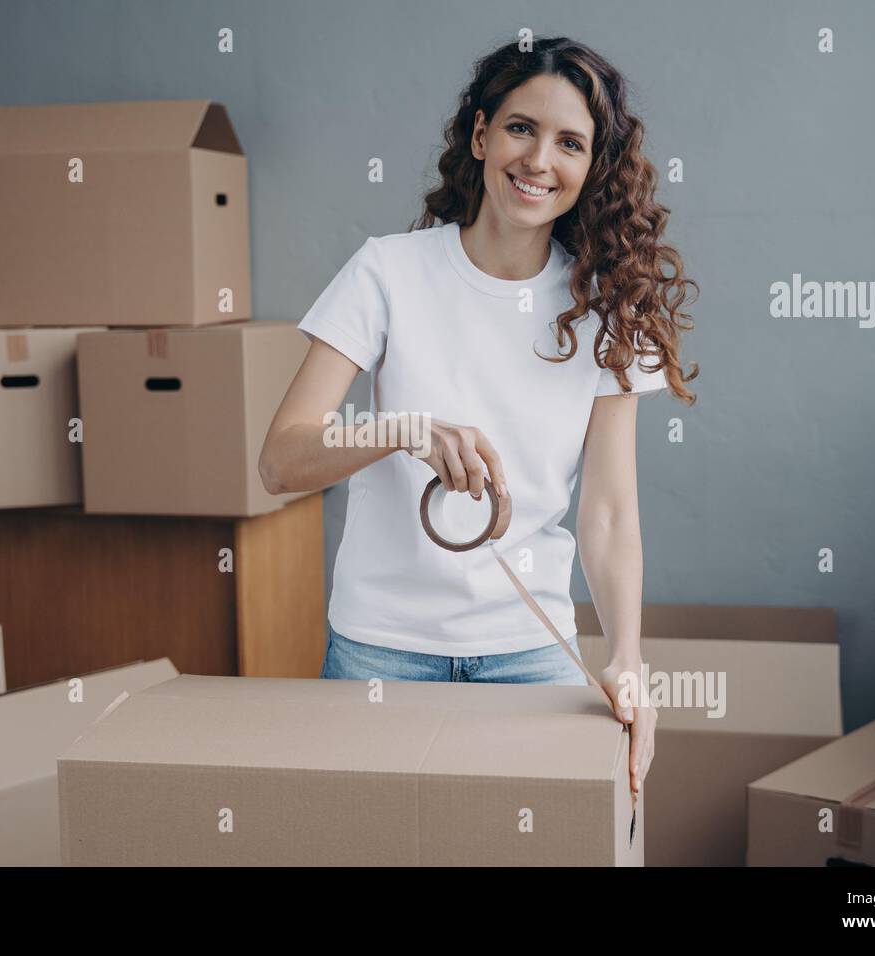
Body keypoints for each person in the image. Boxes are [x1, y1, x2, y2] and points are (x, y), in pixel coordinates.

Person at [259, 37, 698, 795]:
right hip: (380, 649)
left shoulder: (606, 307)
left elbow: (609, 511)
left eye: (570, 143)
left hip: (531, 651)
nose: (538, 160)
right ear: (480, 135)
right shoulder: (388, 272)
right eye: (521, 128)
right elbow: (281, 460)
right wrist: (405, 430)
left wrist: (627, 654)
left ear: (592, 168)